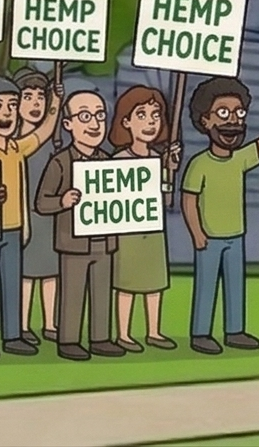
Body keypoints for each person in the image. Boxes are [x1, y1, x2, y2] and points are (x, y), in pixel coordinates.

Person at [179, 75, 259, 352]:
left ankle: (235, 330)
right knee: (206, 285)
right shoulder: (200, 164)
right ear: (205, 121)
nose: (233, 120)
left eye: (238, 113)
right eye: (223, 113)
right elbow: (189, 200)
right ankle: (201, 333)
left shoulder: (240, 158)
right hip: (209, 239)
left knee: (236, 285)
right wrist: (197, 233)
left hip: (236, 236)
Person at [0, 73, 52, 358]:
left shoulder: (17, 149)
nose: (7, 113)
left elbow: (43, 133)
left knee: (11, 284)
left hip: (15, 229)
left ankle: (12, 334)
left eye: (12, 106)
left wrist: (56, 102)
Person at [36, 87, 120, 361]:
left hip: (103, 242)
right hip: (73, 244)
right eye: (85, 117)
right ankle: (68, 339)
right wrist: (63, 200)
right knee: (72, 292)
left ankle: (101, 337)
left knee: (101, 290)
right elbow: (41, 202)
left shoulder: (107, 162)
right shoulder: (60, 163)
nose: (94, 124)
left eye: (99, 116)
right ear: (68, 124)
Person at [109, 86, 178, 351]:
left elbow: (166, 201)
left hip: (153, 233)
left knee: (154, 284)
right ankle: (124, 333)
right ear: (126, 121)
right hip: (127, 235)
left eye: (155, 114)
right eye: (142, 114)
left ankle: (153, 331)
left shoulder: (158, 159)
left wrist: (169, 173)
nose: (150, 122)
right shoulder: (118, 160)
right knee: (125, 285)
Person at [15, 69, 62, 342]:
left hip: (49, 215)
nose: (35, 104)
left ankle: (50, 323)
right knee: (26, 274)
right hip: (24, 216)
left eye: (40, 98)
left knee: (50, 271)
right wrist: (55, 103)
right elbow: (41, 133)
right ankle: (22, 324)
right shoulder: (18, 143)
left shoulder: (51, 144)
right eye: (28, 97)